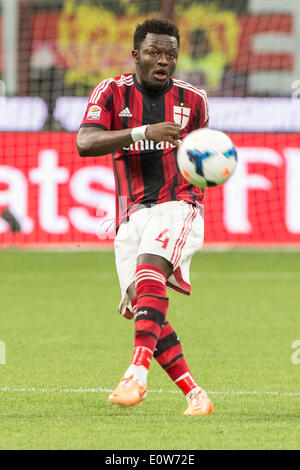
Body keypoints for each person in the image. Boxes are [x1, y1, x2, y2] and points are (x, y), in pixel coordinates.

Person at [77, 18, 213, 416]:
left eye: (171, 53)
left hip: (178, 202)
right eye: (154, 52)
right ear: (136, 55)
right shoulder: (111, 91)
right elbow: (85, 142)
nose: (163, 60)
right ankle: (195, 394)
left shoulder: (195, 101)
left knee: (151, 273)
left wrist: (210, 169)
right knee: (144, 310)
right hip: (131, 212)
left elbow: (202, 154)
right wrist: (142, 132)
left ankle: (136, 374)